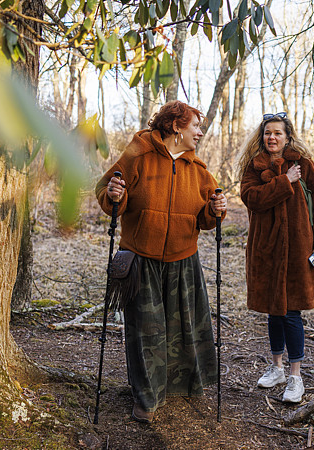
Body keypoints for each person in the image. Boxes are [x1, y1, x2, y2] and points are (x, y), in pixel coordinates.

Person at [95, 101, 227, 423]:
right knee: (145, 331)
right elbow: (107, 192)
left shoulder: (198, 171)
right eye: (196, 125)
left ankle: (178, 387)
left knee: (182, 328)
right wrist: (115, 194)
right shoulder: (138, 154)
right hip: (141, 258)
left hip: (183, 261)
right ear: (176, 126)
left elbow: (206, 218)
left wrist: (215, 209)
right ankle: (146, 397)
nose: (200, 132)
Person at [237, 112, 314, 403]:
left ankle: (295, 376)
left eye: (278, 133)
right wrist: (284, 182)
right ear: (262, 136)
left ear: (288, 137)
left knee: (291, 311)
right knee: (273, 310)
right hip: (265, 250)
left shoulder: (303, 165)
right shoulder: (253, 168)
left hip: (298, 249)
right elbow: (251, 199)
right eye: (268, 133)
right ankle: (277, 368)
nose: (272, 138)